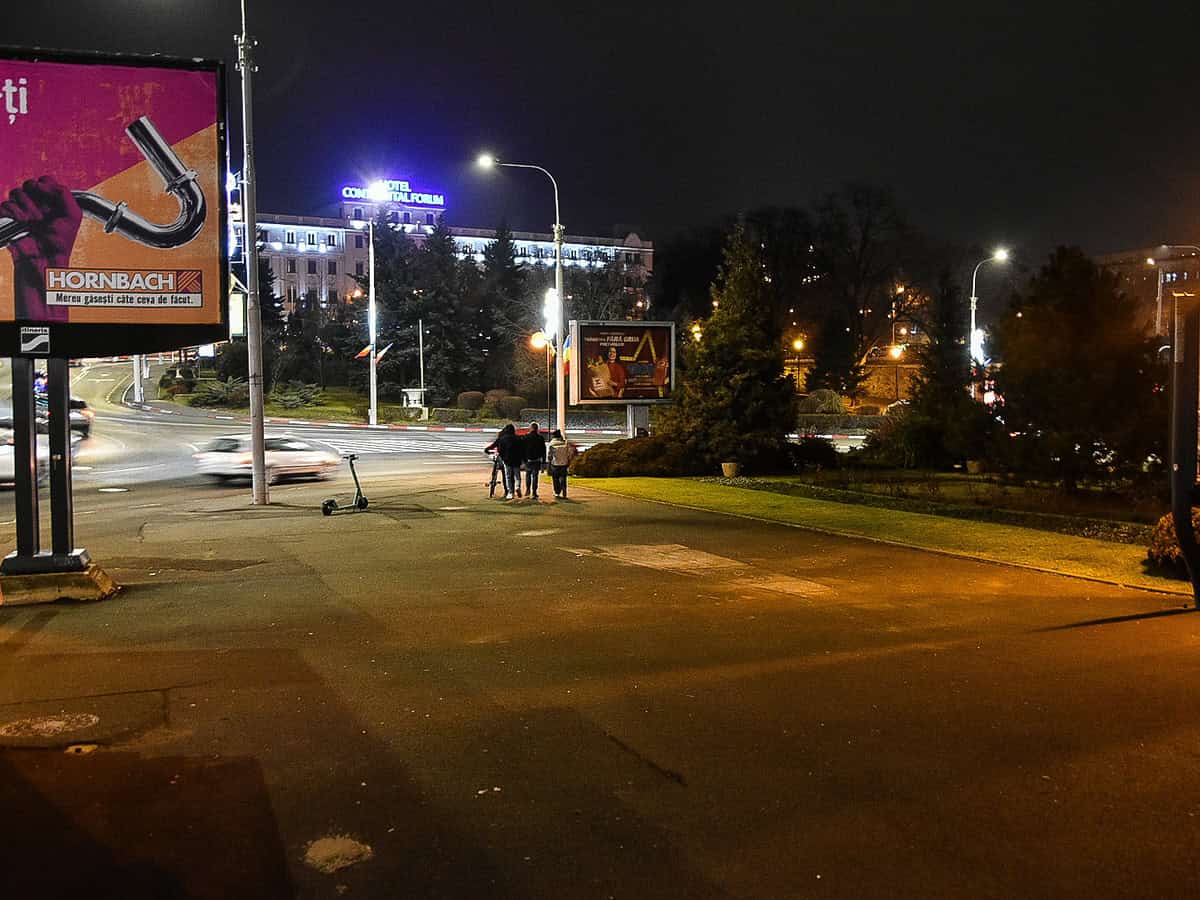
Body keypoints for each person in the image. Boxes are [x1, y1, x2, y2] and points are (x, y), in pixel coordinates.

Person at [484, 423, 524, 500]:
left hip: (507, 460)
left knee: (508, 476)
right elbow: (522, 450)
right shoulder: (518, 438)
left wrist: (502, 457)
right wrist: (522, 459)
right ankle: (517, 487)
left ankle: (510, 492)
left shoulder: (502, 438)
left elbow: (499, 449)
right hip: (516, 460)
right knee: (517, 476)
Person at [547, 429, 577, 499]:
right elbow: (569, 453)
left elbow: (550, 455)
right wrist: (569, 460)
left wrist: (549, 462)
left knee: (555, 478)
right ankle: (564, 489)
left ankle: (557, 492)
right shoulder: (565, 443)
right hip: (564, 463)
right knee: (563, 477)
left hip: (555, 463)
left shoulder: (552, 443)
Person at [522, 421, 546, 500]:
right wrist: (543, 462)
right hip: (537, 460)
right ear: (537, 429)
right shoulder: (540, 438)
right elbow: (543, 450)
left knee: (528, 475)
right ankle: (534, 492)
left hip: (528, 460)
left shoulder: (526, 437)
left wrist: (523, 459)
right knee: (535, 476)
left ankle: (527, 489)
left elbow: (522, 449)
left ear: (531, 428)